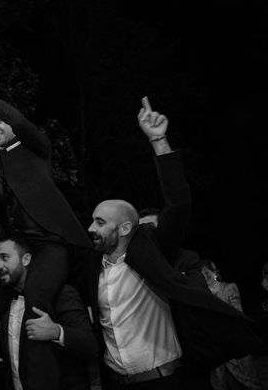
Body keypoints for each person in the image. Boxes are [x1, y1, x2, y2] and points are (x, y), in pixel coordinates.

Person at [83, 97, 263, 390]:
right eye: (92, 219)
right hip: (116, 381)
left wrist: (159, 141)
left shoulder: (151, 254)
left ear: (127, 227)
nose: (91, 227)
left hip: (167, 380)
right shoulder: (93, 267)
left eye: (100, 222)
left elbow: (178, 205)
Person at [0, 65, 92, 390]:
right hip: (13, 249)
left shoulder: (36, 148)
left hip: (50, 245)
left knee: (35, 301)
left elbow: (21, 121)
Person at [0, 236, 98, 390]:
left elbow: (90, 344)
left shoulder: (61, 295)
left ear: (26, 259)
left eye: (5, 258)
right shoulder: (2, 304)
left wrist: (57, 332)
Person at [200, 260, 262, 390]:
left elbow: (238, 315)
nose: (206, 275)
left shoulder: (229, 288)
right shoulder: (202, 296)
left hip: (235, 345)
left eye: (207, 271)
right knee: (220, 384)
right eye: (202, 273)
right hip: (216, 349)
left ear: (214, 271)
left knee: (249, 382)